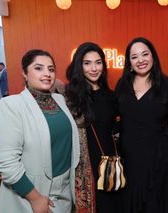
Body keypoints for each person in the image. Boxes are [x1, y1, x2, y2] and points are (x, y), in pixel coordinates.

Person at [0, 49, 80, 213]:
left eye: (51, 69)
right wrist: (35, 198)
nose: (47, 73)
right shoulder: (12, 105)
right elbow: (6, 163)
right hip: (32, 194)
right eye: (39, 68)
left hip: (64, 192)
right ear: (24, 73)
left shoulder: (59, 100)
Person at [115, 37, 168, 213]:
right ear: (129, 62)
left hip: (158, 157)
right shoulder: (123, 84)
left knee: (155, 204)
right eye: (134, 57)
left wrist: (163, 127)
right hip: (129, 159)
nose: (140, 60)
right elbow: (119, 117)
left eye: (145, 54)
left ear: (153, 56)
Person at [65, 42, 122, 213]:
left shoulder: (111, 95)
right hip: (84, 164)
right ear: (79, 66)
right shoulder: (70, 96)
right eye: (87, 63)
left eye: (98, 62)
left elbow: (115, 126)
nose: (94, 68)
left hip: (109, 162)